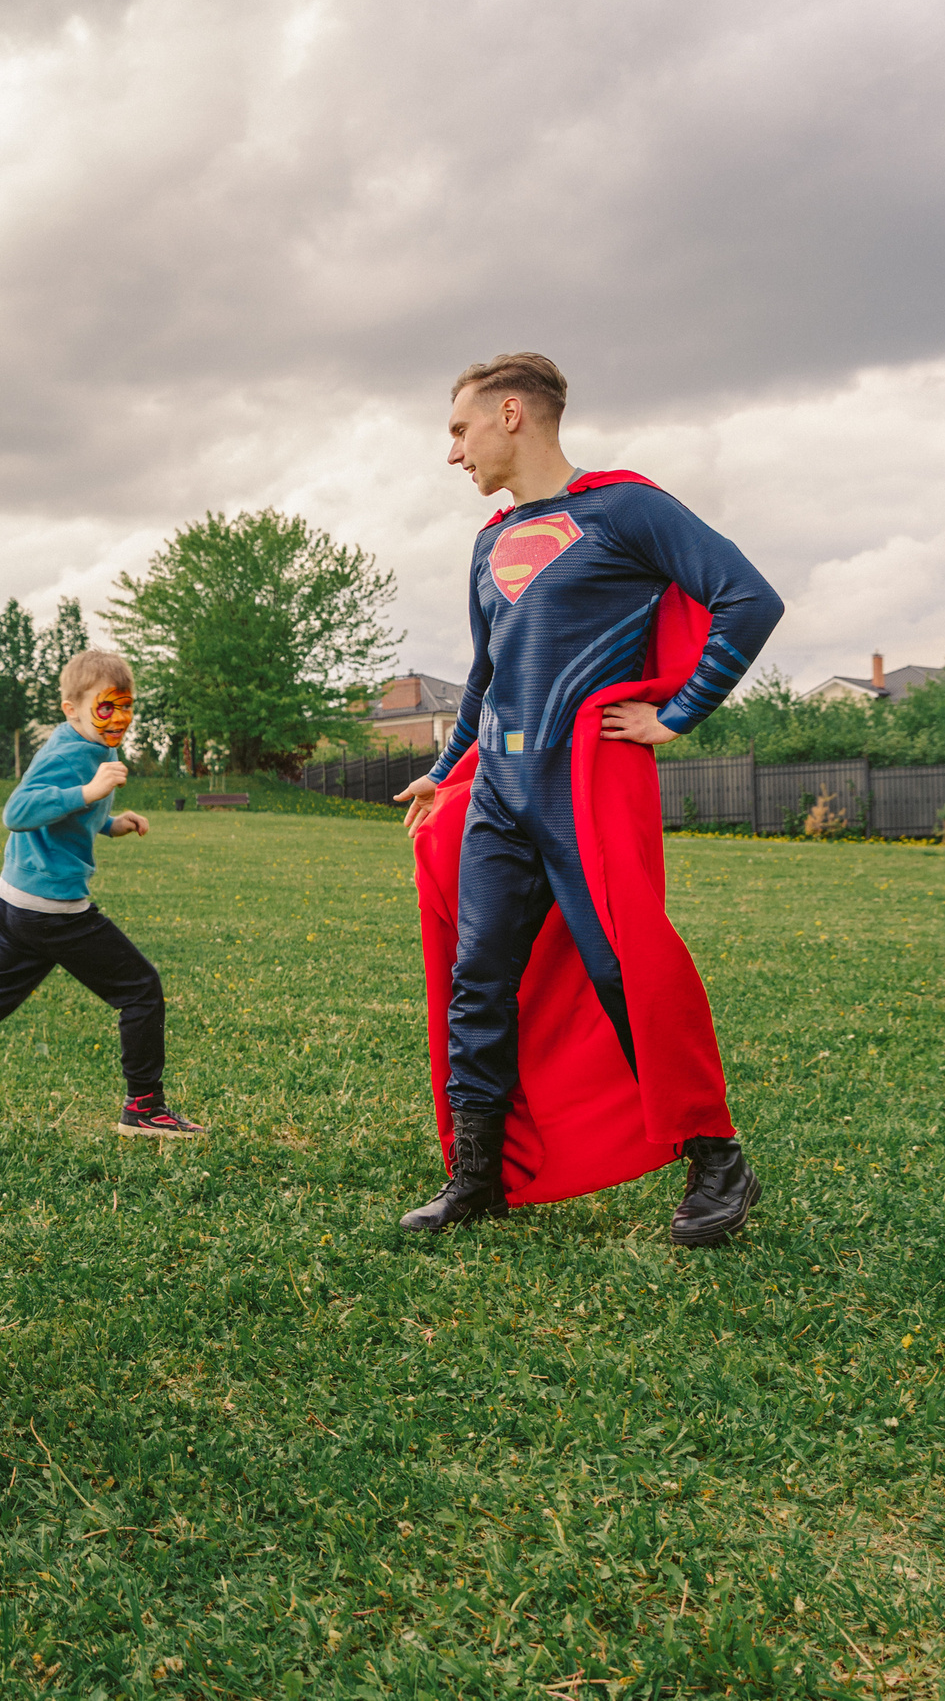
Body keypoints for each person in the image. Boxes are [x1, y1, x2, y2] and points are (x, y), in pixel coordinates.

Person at [394, 353, 779, 1243]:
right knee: (479, 980)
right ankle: (479, 1176)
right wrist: (446, 770)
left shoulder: (624, 508)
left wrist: (678, 714)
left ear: (514, 414)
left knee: (622, 967)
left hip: (584, 784)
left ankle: (719, 1163)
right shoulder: (490, 542)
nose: (454, 452)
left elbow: (747, 599)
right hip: (499, 791)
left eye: (460, 428)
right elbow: (486, 681)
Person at [0, 649, 204, 1137]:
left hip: (20, 900)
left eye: (126, 705)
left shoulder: (95, 745)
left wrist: (111, 823)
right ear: (71, 709)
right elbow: (18, 812)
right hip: (53, 910)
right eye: (106, 706)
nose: (118, 717)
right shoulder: (70, 751)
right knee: (140, 990)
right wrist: (89, 794)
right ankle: (143, 1108)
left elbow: (68, 815)